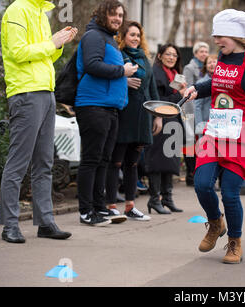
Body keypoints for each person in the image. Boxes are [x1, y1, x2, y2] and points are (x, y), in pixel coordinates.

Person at [184, 9, 245, 264]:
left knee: (230, 192)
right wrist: (196, 88)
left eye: (219, 35)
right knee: (201, 184)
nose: (215, 41)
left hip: (243, 132)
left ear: (233, 35)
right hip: (217, 129)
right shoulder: (223, 57)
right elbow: (215, 84)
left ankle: (234, 241)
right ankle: (215, 223)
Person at [0, 0, 77, 243]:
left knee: (44, 162)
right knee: (18, 163)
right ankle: (9, 225)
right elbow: (18, 52)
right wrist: (51, 43)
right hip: (25, 93)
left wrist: (58, 44)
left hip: (46, 92)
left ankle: (45, 222)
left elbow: (46, 56)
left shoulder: (41, 12)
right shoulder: (17, 10)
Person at [75, 0, 138, 226]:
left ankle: (99, 207)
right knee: (92, 159)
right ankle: (85, 211)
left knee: (103, 160)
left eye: (121, 15)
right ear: (103, 15)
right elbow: (92, 65)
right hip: (93, 105)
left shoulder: (109, 39)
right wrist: (122, 71)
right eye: (113, 14)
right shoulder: (93, 36)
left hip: (110, 108)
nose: (118, 19)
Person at [104, 21, 163, 221]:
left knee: (132, 164)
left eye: (138, 35)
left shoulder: (145, 59)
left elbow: (152, 89)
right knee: (116, 161)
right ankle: (111, 205)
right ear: (123, 36)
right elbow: (106, 76)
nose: (136, 38)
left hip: (143, 117)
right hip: (123, 114)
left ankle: (130, 207)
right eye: (132, 34)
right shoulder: (117, 55)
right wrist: (124, 79)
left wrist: (158, 116)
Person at [145, 43, 185, 214]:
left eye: (174, 55)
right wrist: (178, 94)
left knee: (170, 160)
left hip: (174, 120)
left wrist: (183, 95)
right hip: (160, 119)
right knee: (157, 161)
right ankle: (154, 199)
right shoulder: (156, 72)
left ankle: (167, 198)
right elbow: (158, 98)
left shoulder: (176, 75)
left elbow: (176, 99)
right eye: (168, 54)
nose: (171, 58)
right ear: (160, 56)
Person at [182, 42, 210, 187]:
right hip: (190, 110)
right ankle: (190, 173)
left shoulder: (206, 69)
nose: (204, 54)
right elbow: (188, 89)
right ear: (195, 53)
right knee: (190, 142)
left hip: (202, 110)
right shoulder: (189, 68)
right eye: (201, 51)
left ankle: (197, 172)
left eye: (206, 51)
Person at [194, 54, 218, 136]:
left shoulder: (225, 81)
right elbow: (197, 107)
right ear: (205, 66)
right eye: (209, 62)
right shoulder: (200, 83)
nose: (212, 64)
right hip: (206, 123)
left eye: (214, 61)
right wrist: (200, 126)